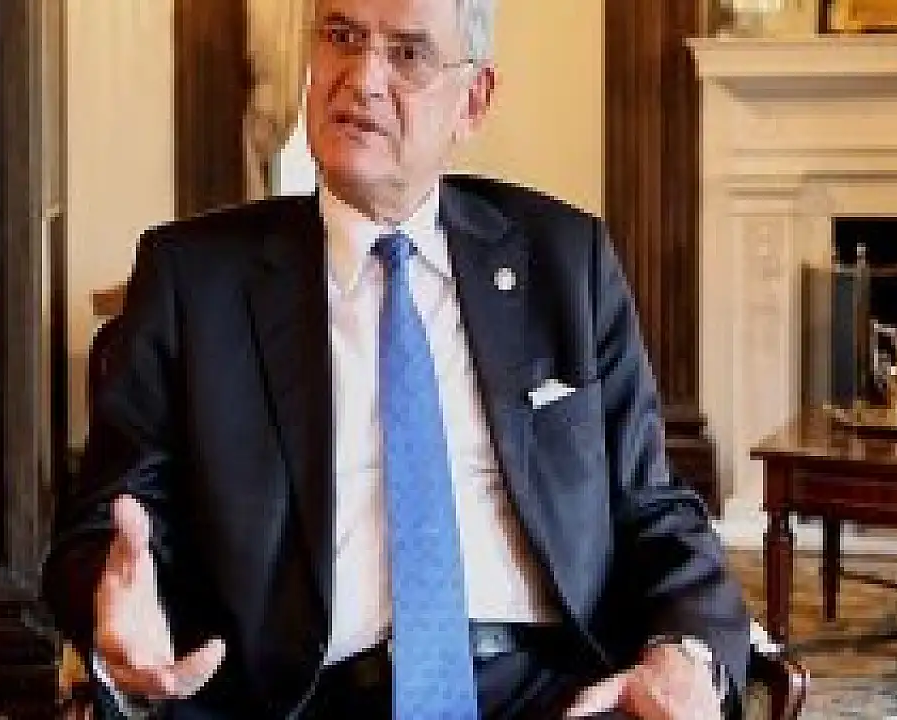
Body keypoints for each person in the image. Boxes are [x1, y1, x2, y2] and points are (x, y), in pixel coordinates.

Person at [42, 0, 751, 717]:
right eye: (341, 37)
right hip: (303, 699)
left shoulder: (567, 264)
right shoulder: (197, 280)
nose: (362, 78)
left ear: (473, 100)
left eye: (408, 54)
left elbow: (654, 507)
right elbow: (104, 526)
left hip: (548, 692)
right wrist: (112, 598)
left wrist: (685, 651)